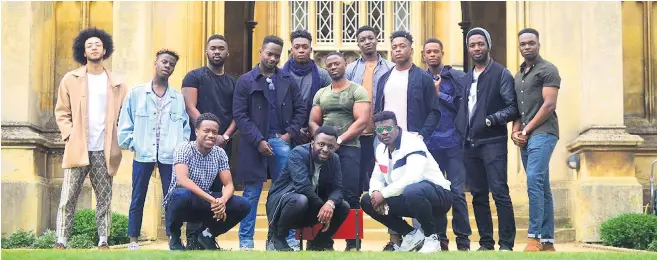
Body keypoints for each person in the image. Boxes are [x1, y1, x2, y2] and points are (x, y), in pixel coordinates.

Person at [53, 27, 127, 249]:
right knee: (68, 196)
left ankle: (103, 240)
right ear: (83, 52)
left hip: (104, 149)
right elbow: (61, 112)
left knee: (104, 197)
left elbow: (124, 114)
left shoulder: (117, 83)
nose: (94, 47)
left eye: (98, 44)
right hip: (78, 146)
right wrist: (69, 135)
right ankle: (61, 240)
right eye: (89, 45)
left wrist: (119, 137)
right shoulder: (70, 79)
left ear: (105, 50)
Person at [233, 35, 307, 250]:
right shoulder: (245, 81)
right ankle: (246, 242)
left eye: (277, 55)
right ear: (261, 52)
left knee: (285, 193)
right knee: (251, 195)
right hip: (253, 144)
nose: (273, 58)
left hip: (282, 142)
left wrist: (289, 134)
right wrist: (258, 140)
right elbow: (240, 115)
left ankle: (282, 239)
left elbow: (301, 109)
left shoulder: (287, 80)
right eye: (269, 53)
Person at [373, 30, 441, 249]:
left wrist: (421, 135)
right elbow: (378, 111)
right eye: (394, 47)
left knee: (412, 185)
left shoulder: (422, 77)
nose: (398, 50)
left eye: (402, 46)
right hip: (385, 142)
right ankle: (396, 239)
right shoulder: (385, 77)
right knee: (389, 186)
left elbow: (434, 111)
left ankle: (424, 237)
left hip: (410, 141)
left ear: (411, 50)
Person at [118, 49, 191, 250]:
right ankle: (133, 239)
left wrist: (180, 148)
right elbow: (125, 124)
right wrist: (134, 144)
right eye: (164, 62)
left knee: (172, 198)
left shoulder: (177, 98)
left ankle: (172, 238)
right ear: (156, 63)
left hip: (170, 155)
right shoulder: (136, 93)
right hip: (143, 154)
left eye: (172, 64)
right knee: (138, 195)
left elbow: (185, 127)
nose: (167, 66)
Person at [455, 27, 519, 251]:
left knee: (500, 192)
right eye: (472, 45)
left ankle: (507, 244)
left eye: (480, 44)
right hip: (469, 145)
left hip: (493, 143)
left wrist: (490, 120)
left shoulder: (501, 73)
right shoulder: (466, 78)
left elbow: (513, 108)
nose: (476, 48)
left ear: (488, 45)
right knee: (478, 195)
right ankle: (485, 244)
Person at [361, 111, 453, 254]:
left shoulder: (413, 141)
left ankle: (431, 238)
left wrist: (383, 194)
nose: (384, 132)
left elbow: (413, 177)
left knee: (412, 190)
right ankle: (411, 235)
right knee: (367, 200)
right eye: (380, 129)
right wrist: (375, 193)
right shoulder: (380, 149)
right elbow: (377, 178)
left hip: (438, 194)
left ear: (397, 128)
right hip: (411, 197)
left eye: (388, 128)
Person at [308, 52, 371, 251]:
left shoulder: (357, 91)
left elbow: (362, 120)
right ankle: (323, 242)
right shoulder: (321, 93)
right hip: (324, 152)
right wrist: (321, 142)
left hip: (350, 149)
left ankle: (353, 242)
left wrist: (340, 140)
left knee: (351, 194)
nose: (334, 66)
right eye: (330, 64)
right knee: (323, 193)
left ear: (346, 64)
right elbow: (313, 120)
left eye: (337, 63)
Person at [181, 34, 238, 250]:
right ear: (206, 51)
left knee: (216, 189)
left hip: (223, 144)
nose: (216, 52)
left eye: (221, 48)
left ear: (227, 53)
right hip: (198, 144)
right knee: (196, 189)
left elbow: (238, 114)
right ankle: (192, 237)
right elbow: (190, 107)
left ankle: (206, 236)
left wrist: (225, 136)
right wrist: (208, 134)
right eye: (213, 48)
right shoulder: (194, 76)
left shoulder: (233, 83)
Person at [163, 113, 250, 251]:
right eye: (206, 131)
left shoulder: (219, 153)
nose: (211, 135)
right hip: (182, 202)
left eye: (214, 132)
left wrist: (222, 201)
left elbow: (228, 184)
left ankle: (206, 235)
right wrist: (212, 200)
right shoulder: (184, 148)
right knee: (181, 195)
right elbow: (182, 180)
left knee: (243, 204)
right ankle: (174, 237)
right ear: (197, 131)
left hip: (204, 203)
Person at [511, 28, 561, 252]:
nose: (527, 47)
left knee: (533, 180)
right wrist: (515, 132)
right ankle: (548, 241)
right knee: (543, 186)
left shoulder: (548, 70)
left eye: (531, 43)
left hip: (544, 133)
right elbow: (517, 110)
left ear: (539, 44)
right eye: (523, 44)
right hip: (526, 135)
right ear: (519, 47)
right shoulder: (519, 75)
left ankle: (534, 238)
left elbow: (549, 104)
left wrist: (527, 130)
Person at [422, 38, 472, 251]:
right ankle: (440, 239)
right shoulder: (420, 78)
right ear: (423, 55)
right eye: (428, 52)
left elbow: (462, 107)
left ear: (442, 53)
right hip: (430, 145)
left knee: (457, 193)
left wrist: (439, 93)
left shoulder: (456, 77)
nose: (432, 55)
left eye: (436, 51)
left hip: (453, 143)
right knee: (435, 193)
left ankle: (463, 240)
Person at [265, 126, 350, 251]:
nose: (325, 149)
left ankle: (319, 242)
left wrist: (330, 204)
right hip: (284, 203)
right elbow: (302, 187)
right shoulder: (298, 153)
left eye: (330, 146)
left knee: (343, 206)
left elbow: (338, 188)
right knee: (300, 199)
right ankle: (276, 238)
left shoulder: (334, 159)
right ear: (312, 143)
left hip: (311, 205)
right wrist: (324, 206)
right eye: (321, 144)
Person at [345, 26, 394, 210]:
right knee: (354, 180)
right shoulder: (350, 69)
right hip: (357, 133)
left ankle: (393, 233)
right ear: (358, 44)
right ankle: (353, 234)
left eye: (370, 38)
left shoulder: (390, 67)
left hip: (381, 133)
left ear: (376, 40)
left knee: (385, 177)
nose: (367, 42)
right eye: (363, 39)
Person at [281, 29, 332, 145]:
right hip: (286, 132)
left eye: (305, 47)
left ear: (311, 50)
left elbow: (330, 104)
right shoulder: (280, 75)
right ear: (291, 50)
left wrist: (314, 129)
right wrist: (294, 130)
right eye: (297, 47)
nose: (301, 50)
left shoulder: (322, 75)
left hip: (315, 133)